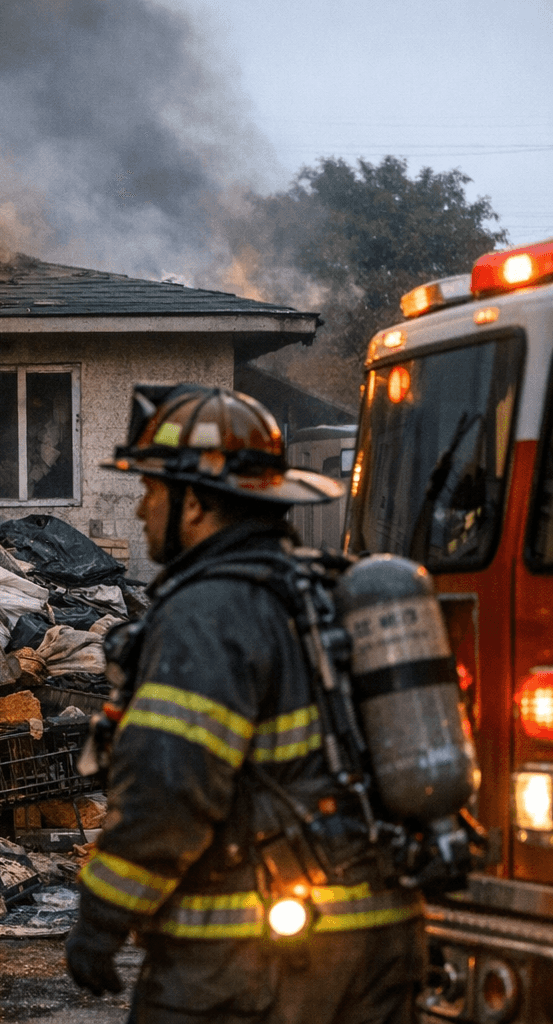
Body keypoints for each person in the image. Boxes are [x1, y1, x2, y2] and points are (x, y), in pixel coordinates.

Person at [65, 384, 424, 1024]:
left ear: (196, 501)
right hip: (379, 941)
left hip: (249, 964)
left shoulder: (208, 614)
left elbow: (168, 788)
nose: (143, 510)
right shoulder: (319, 586)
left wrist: (101, 918)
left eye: (152, 491)